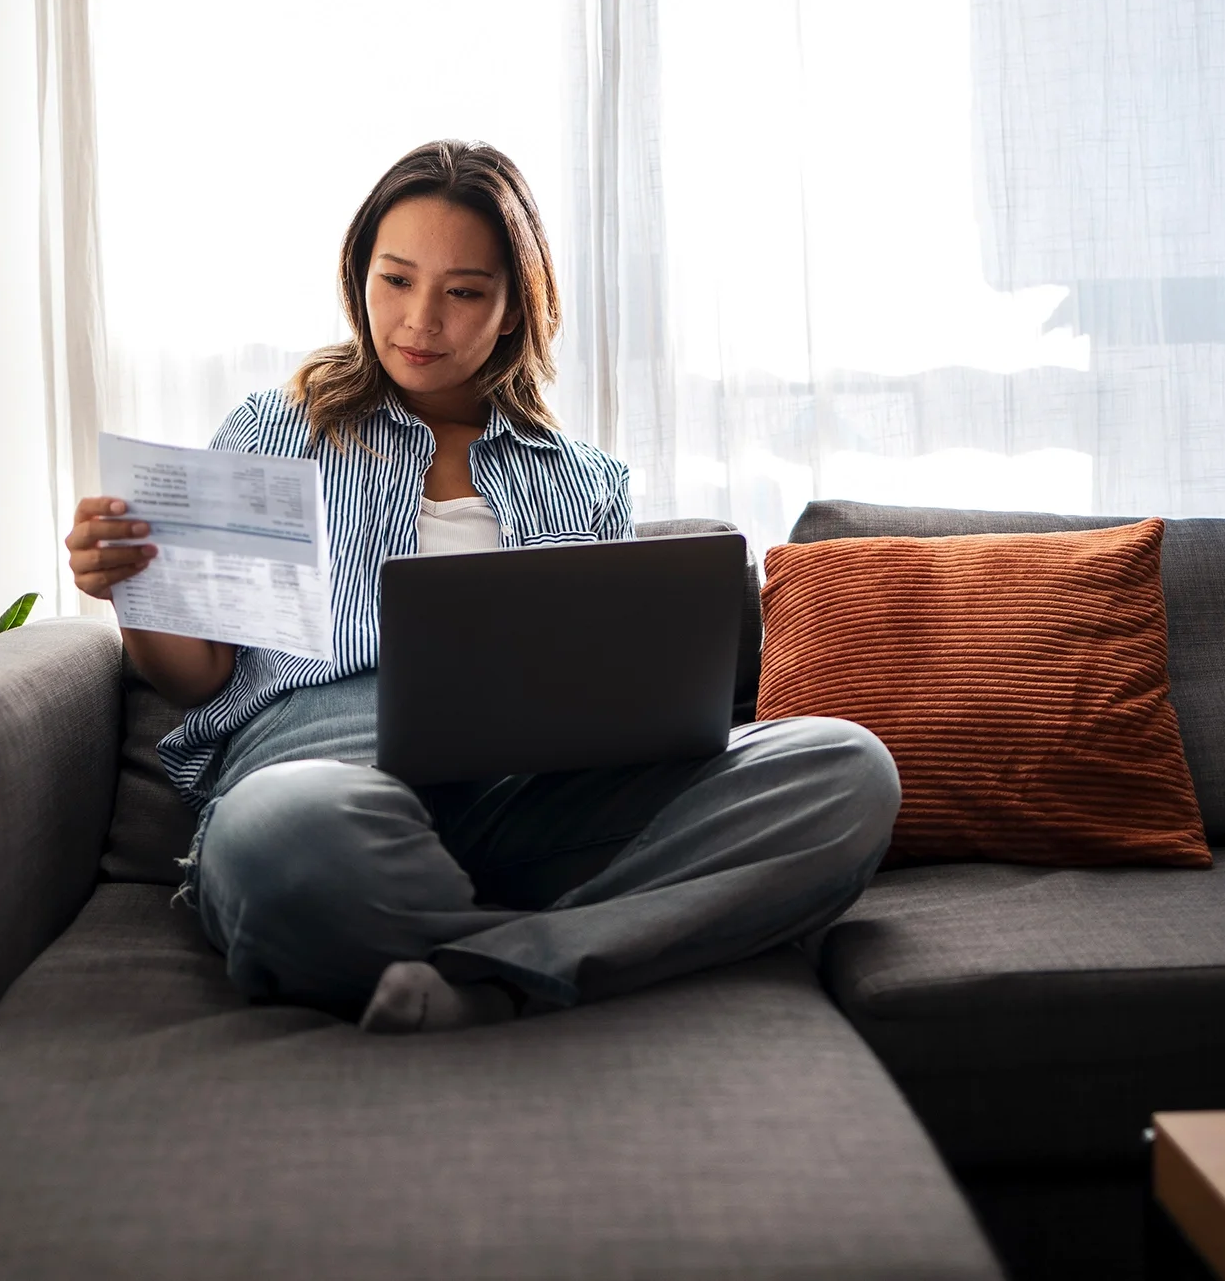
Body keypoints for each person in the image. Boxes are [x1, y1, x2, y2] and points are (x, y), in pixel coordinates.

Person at [64, 140, 897, 1034]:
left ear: (510, 309)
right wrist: (133, 591)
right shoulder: (277, 429)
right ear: (359, 281)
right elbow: (197, 676)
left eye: (463, 292)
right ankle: (576, 945)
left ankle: (496, 975)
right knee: (280, 835)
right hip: (327, 780)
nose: (421, 320)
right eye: (395, 281)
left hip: (535, 798)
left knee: (847, 769)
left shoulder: (585, 478)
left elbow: (614, 687)